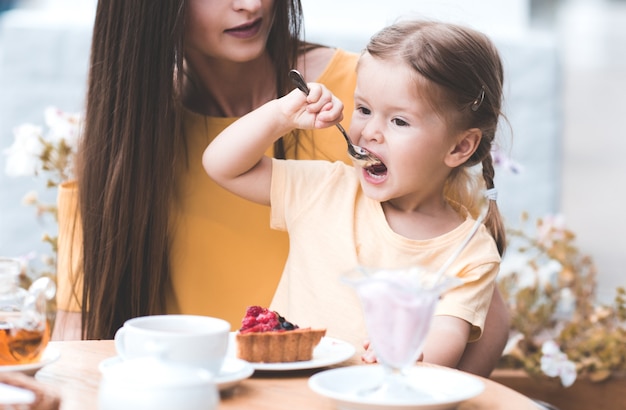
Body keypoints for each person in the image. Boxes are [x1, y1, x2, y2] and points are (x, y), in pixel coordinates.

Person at [54, 0, 509, 376]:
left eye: (397, 121)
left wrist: (411, 378)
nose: (250, 4)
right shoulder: (127, 143)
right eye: (365, 112)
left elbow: (475, 303)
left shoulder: (387, 81)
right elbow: (74, 329)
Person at [203, 19, 507, 369]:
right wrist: (280, 116)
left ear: (459, 146)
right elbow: (222, 165)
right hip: (283, 392)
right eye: (364, 109)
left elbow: (444, 341)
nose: (369, 132)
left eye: (399, 121)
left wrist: (409, 352)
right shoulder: (326, 189)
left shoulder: (470, 253)